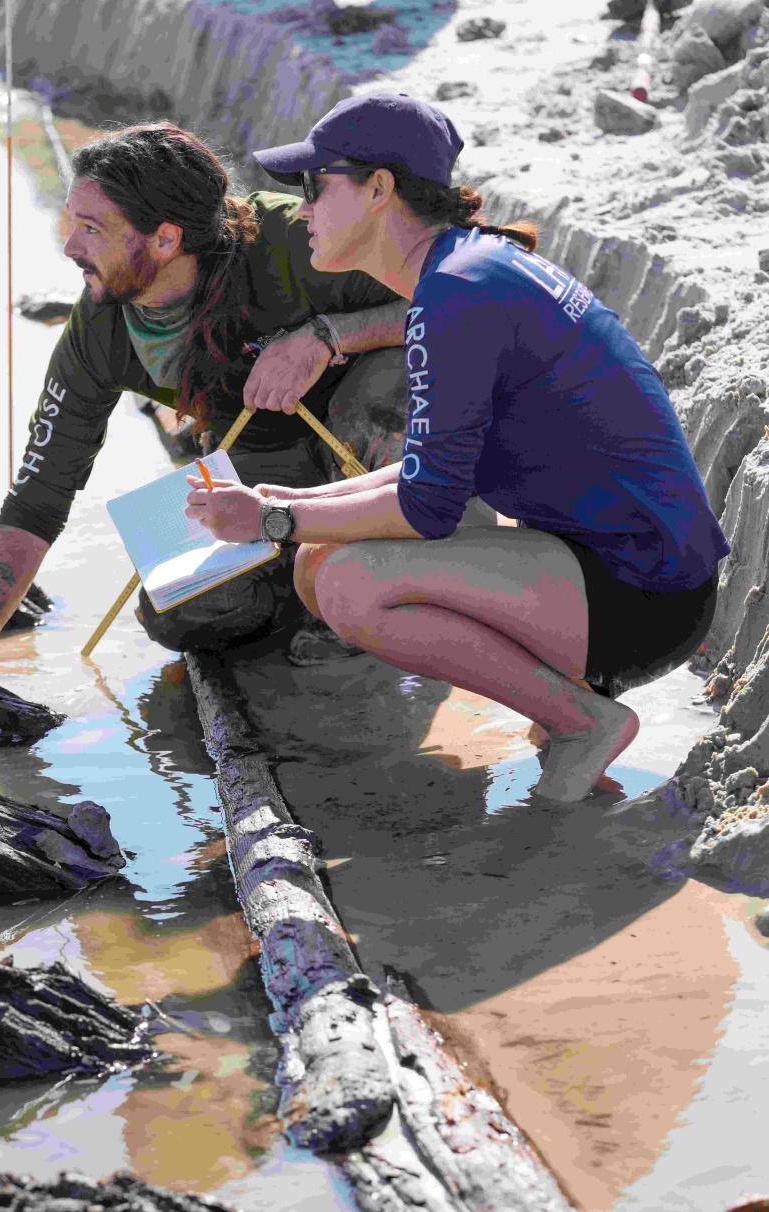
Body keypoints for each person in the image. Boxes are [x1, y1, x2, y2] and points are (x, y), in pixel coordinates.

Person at [186, 91, 730, 802]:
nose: (304, 209)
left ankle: (584, 719)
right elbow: (432, 478)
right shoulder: (468, 270)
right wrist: (280, 502)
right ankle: (569, 702)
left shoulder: (458, 297)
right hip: (623, 568)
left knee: (350, 581)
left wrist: (271, 523)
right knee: (319, 565)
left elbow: (428, 508)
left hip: (645, 594)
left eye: (316, 187)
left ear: (379, 190)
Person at [0, 122, 408, 675]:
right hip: (263, 467)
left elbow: (457, 296)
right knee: (178, 613)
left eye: (90, 229)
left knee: (388, 390)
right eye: (72, 222)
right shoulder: (102, 328)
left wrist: (326, 336)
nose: (69, 247)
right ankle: (306, 588)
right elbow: (37, 500)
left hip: (364, 448)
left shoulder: (293, 244)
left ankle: (393, 573)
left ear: (165, 240)